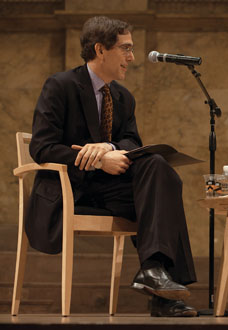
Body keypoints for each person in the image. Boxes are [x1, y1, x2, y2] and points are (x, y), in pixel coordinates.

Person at [26, 16, 197, 317]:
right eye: (125, 49)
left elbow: (132, 141)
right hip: (71, 190)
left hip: (109, 192)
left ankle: (155, 273)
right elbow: (41, 146)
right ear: (101, 50)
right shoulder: (61, 85)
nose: (132, 57)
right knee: (158, 185)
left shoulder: (122, 97)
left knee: (159, 169)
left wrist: (110, 148)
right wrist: (97, 161)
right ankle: (162, 292)